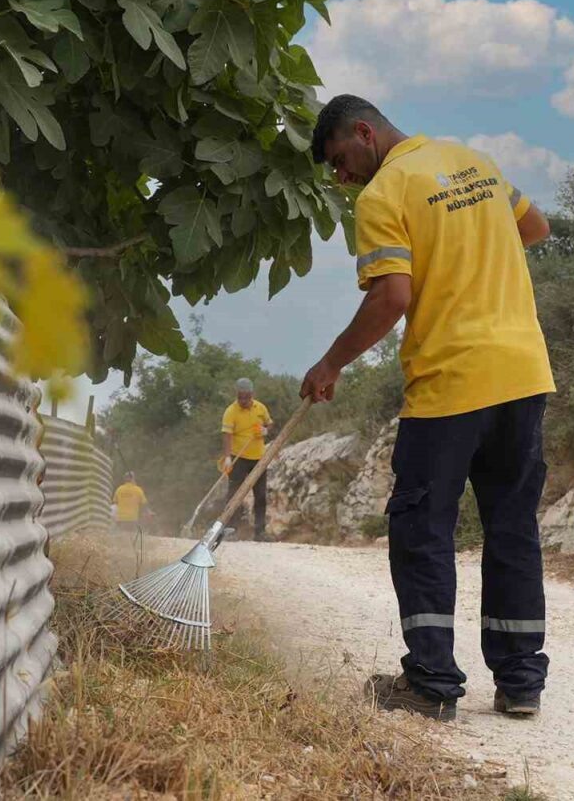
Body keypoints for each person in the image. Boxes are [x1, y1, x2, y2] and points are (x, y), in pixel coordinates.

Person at [300, 95, 555, 722]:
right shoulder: (475, 164)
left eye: (340, 160)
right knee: (512, 529)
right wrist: (475, 255)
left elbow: (391, 298)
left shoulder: (386, 193)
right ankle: (521, 683)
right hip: (522, 373)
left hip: (451, 383)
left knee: (422, 531)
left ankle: (432, 685)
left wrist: (331, 362)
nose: (342, 177)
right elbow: (535, 227)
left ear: (364, 132)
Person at [221, 378, 275, 541]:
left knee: (260, 495)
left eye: (246, 397)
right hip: (239, 458)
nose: (243, 400)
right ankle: (230, 530)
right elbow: (226, 435)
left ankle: (260, 532)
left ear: (252, 394)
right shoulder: (231, 411)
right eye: (240, 397)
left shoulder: (260, 408)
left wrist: (265, 430)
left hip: (258, 458)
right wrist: (228, 457)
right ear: (237, 395)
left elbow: (270, 423)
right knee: (234, 494)